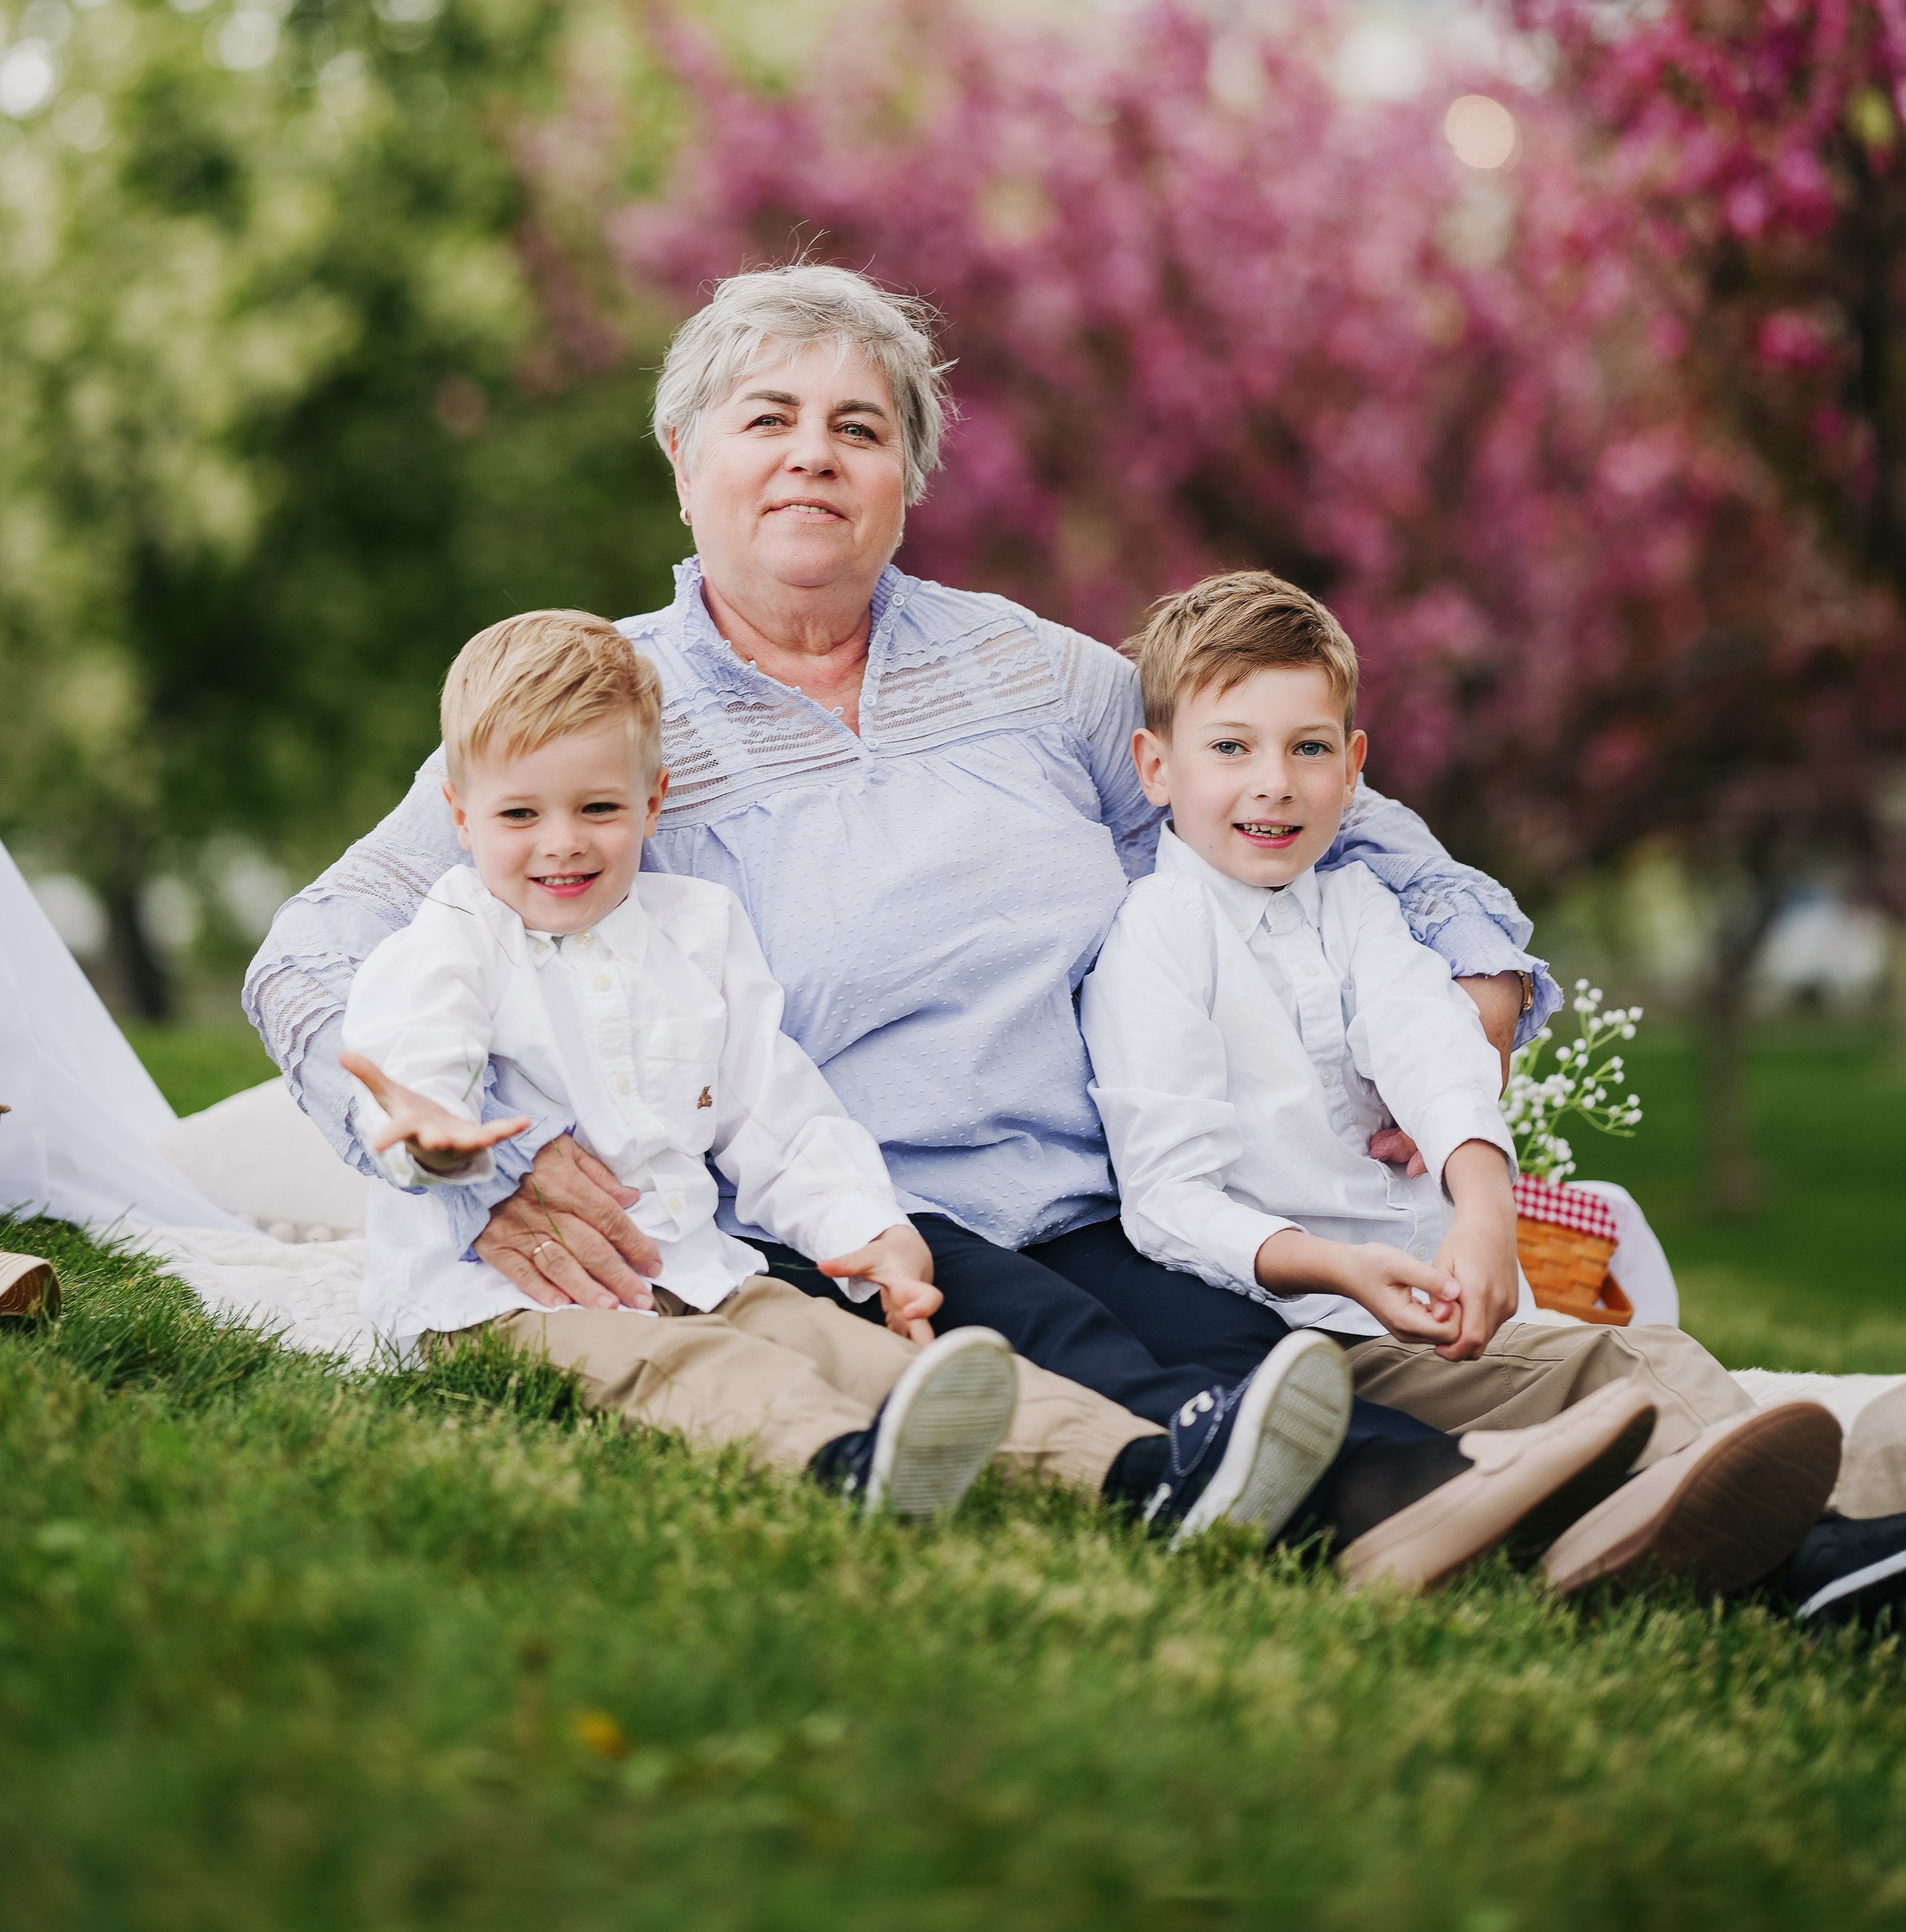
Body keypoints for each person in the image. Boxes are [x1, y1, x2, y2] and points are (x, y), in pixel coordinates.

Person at [243, 266, 1669, 1574]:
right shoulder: (591, 722)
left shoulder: (1029, 673)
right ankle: (1447, 1508)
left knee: (1266, 1348)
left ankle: (1763, 1531)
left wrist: (1476, 958)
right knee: (1158, 1385)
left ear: (907, 481)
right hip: (849, 1231)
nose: (816, 452)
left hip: (1111, 1200)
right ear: (683, 462)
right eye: (769, 417)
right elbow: (310, 953)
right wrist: (496, 1158)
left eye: (861, 427)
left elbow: (1279, 781)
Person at [340, 603, 1365, 1542]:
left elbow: (773, 1107)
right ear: (462, 815)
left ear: (653, 802)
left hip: (694, 1268)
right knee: (708, 1371)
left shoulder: (697, 930)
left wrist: (865, 1232)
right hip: (506, 1302)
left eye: (597, 810)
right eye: (521, 817)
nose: (562, 845)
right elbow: (412, 1051)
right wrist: (435, 1142)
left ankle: (1148, 1473)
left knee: (877, 1356)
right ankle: (845, 1465)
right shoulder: (453, 936)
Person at [1081, 568, 1905, 1622]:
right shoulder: (1158, 940)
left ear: (1354, 767)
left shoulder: (1356, 906)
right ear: (1156, 767)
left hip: (1425, 1313)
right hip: (1317, 1331)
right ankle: (1818, 1555)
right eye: (1231, 747)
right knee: (1615, 1366)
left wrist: (1483, 1207)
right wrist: (1337, 1266)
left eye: (1310, 747)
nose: (1274, 783)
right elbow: (1168, 1201)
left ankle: (1808, 1527)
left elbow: (1430, 1041)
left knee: (1642, 1358)